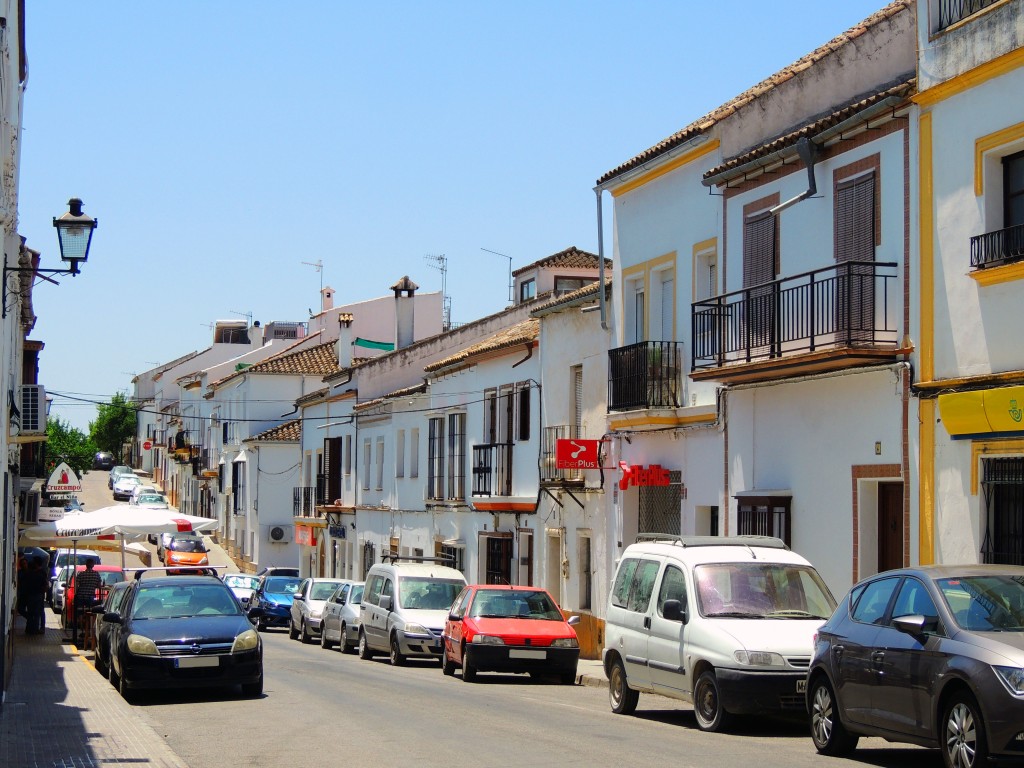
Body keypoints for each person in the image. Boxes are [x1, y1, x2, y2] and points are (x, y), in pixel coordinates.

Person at [72, 558, 102, 643]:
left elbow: (77, 585)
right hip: (90, 597)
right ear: (92, 565)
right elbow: (99, 585)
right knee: (90, 613)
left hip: (81, 596)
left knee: (80, 613)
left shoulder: (81, 574)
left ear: (86, 565)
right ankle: (89, 630)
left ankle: (82, 629)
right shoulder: (96, 574)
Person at [23, 558, 49, 634]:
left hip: (33, 595)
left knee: (33, 612)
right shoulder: (42, 573)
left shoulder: (32, 574)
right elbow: (45, 584)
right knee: (38, 612)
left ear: (36, 564)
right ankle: (37, 628)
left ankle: (31, 628)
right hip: (39, 595)